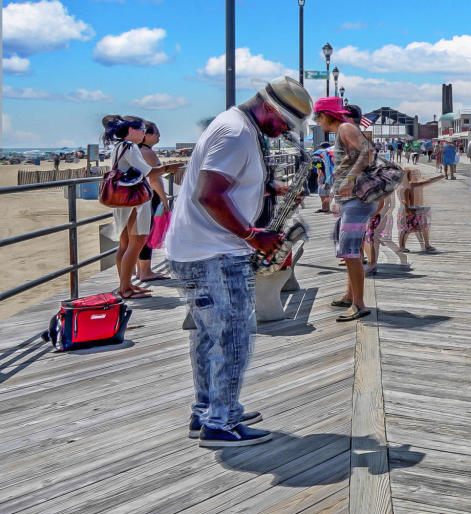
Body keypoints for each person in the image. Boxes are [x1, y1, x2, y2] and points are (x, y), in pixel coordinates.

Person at [166, 77, 313, 447]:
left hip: (198, 249)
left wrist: (268, 188)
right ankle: (221, 422)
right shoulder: (236, 133)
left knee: (207, 336)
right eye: (283, 123)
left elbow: (224, 184)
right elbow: (208, 194)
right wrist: (252, 235)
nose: (283, 132)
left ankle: (208, 409)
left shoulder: (236, 125)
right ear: (268, 108)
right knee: (232, 339)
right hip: (213, 253)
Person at [314, 96, 374, 322]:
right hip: (352, 200)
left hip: (356, 199)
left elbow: (367, 152)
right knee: (351, 249)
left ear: (326, 115)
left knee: (349, 250)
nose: (317, 122)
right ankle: (351, 295)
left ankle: (359, 304)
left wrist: (349, 177)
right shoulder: (344, 130)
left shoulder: (345, 128)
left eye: (317, 116)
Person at [101, 115, 162, 300]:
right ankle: (125, 289)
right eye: (141, 130)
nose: (143, 133)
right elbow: (148, 171)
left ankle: (125, 284)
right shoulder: (130, 146)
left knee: (125, 244)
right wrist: (172, 168)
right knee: (136, 244)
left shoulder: (118, 147)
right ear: (131, 130)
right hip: (135, 201)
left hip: (122, 201)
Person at [134, 120, 176, 285]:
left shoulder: (135, 150)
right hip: (149, 197)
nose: (159, 137)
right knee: (147, 233)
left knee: (139, 234)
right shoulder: (147, 152)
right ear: (148, 135)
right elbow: (154, 179)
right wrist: (165, 200)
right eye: (157, 133)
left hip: (139, 196)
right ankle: (145, 271)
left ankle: (140, 270)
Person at [364, 189, 408, 275]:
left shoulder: (384, 186)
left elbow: (390, 204)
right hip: (377, 215)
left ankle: (373, 264)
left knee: (381, 239)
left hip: (382, 216)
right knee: (376, 239)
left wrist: (383, 215)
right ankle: (373, 263)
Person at [398, 167, 442, 252]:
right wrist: (406, 209)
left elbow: (428, 181)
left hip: (419, 209)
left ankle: (427, 244)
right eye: (412, 174)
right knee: (406, 229)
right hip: (409, 210)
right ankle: (401, 246)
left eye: (416, 174)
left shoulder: (416, 184)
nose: (414, 176)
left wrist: (440, 176)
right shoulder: (405, 186)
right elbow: (403, 200)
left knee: (424, 227)